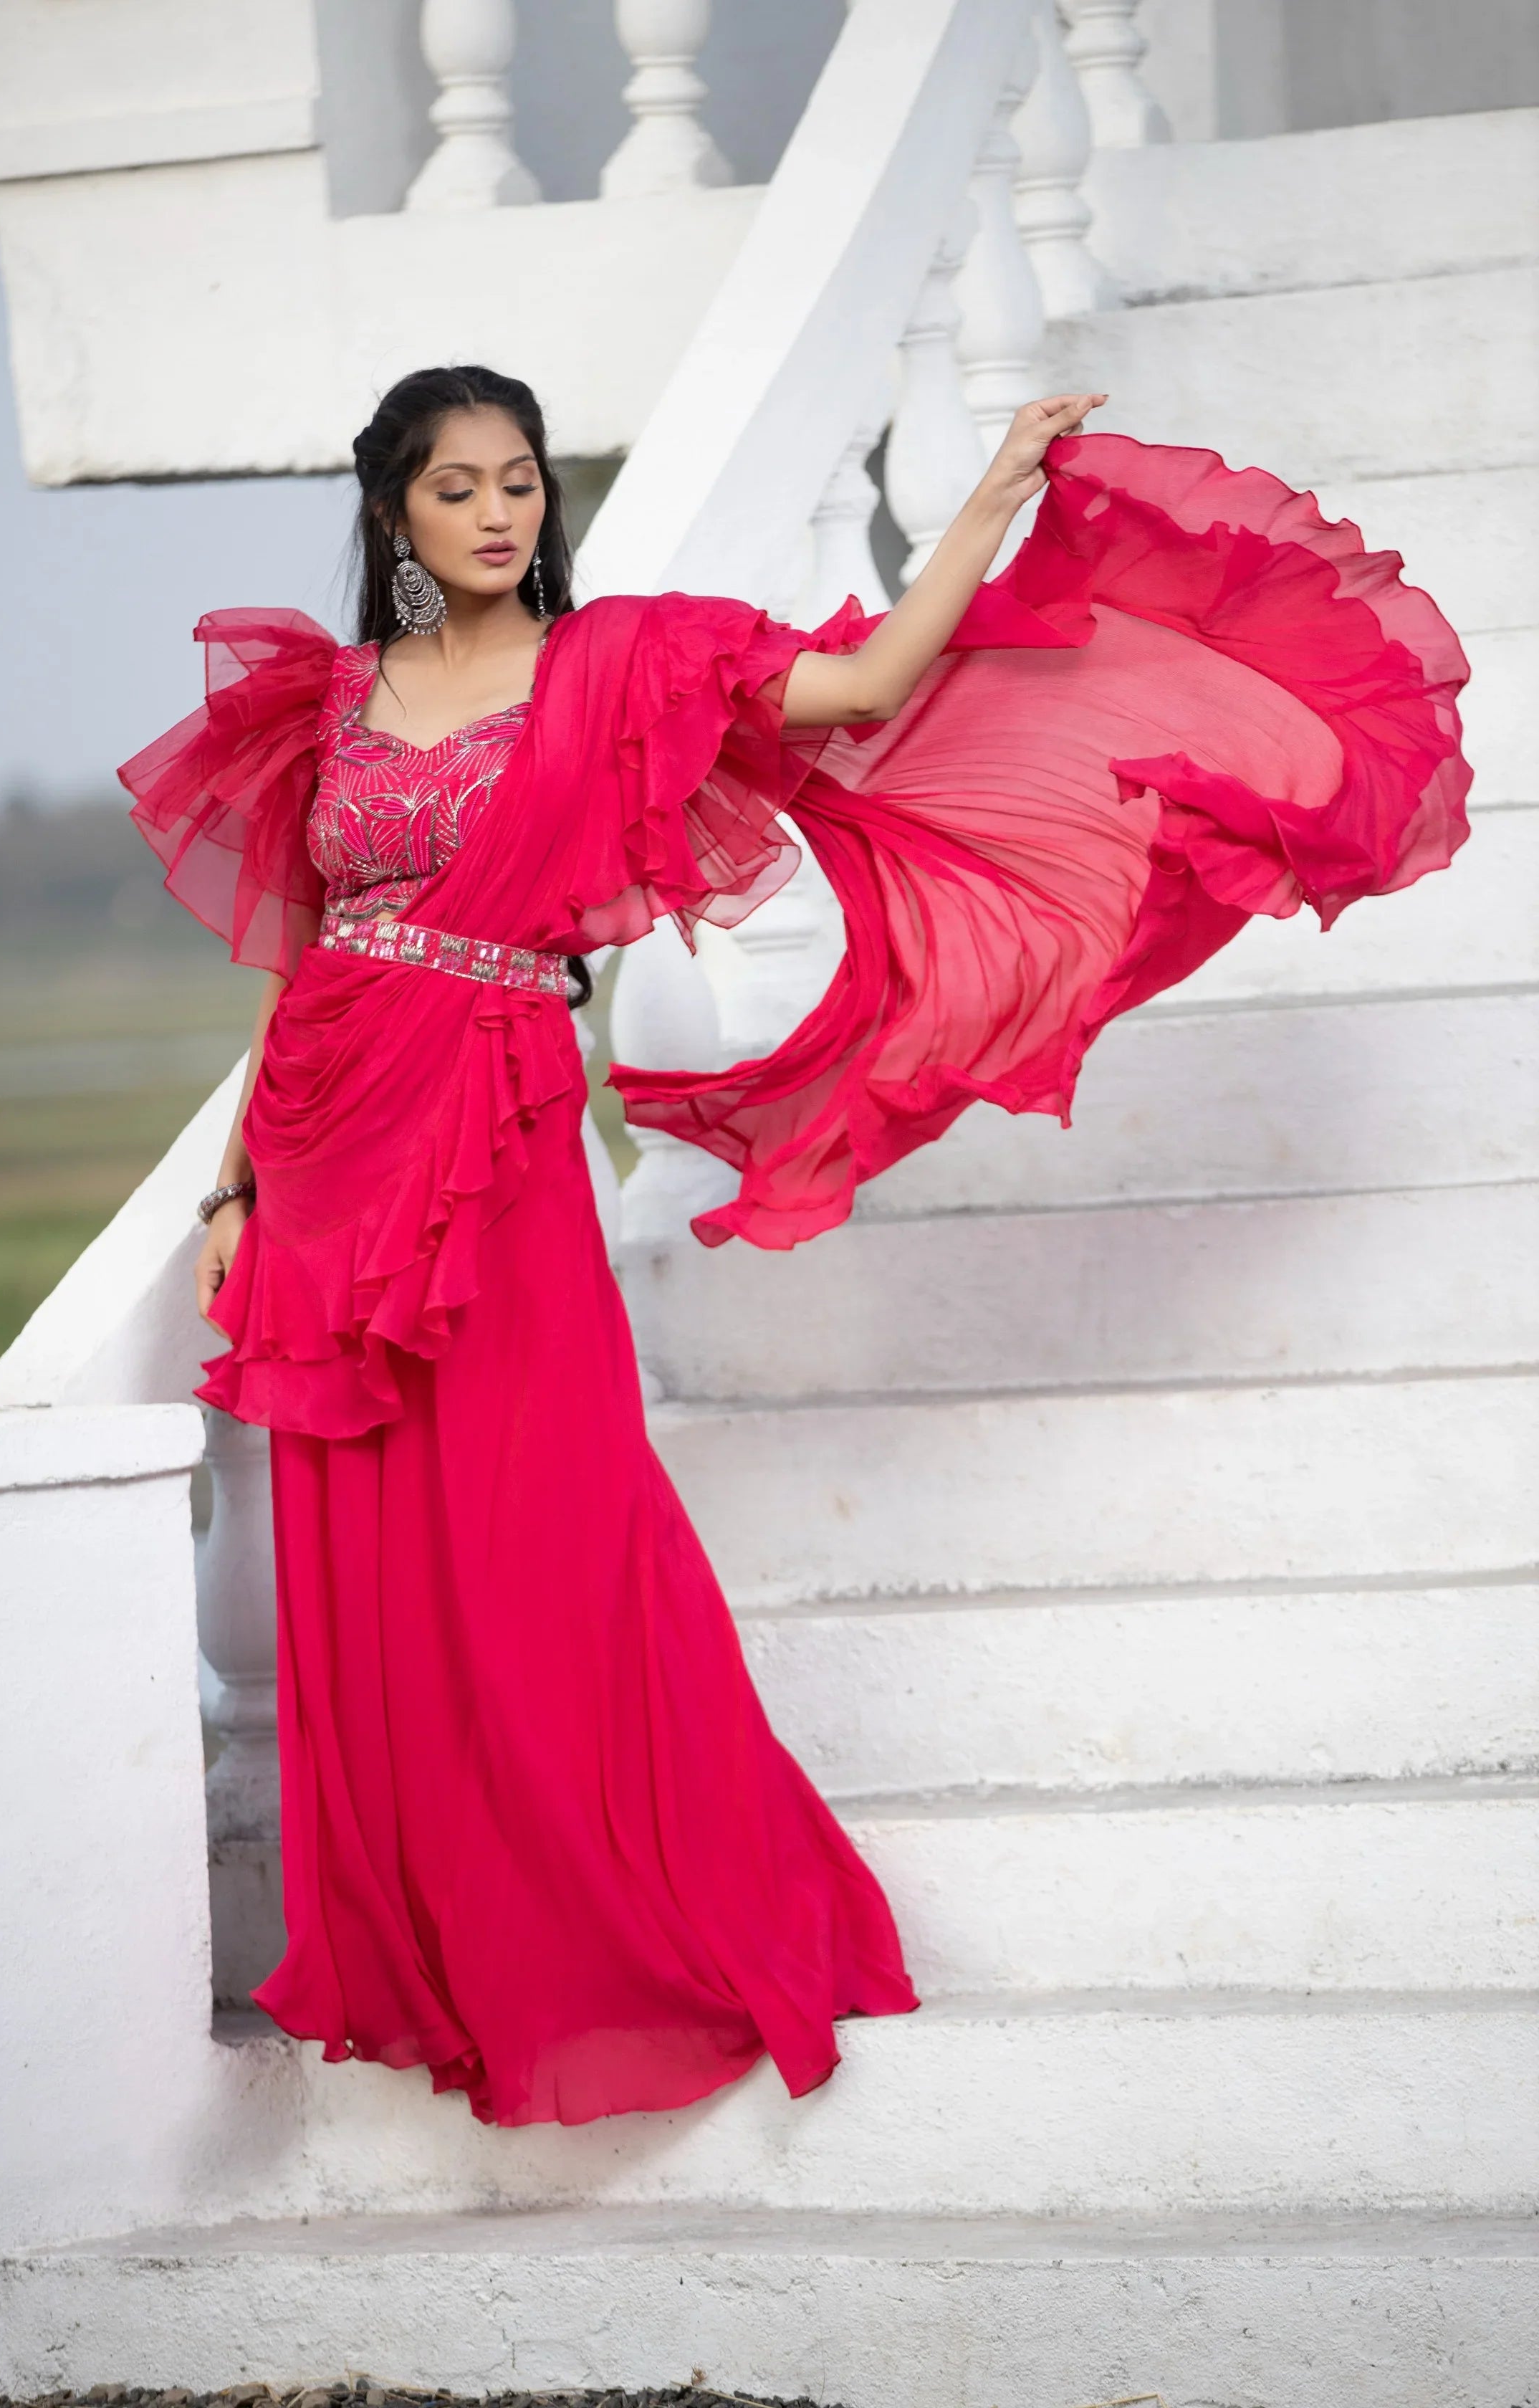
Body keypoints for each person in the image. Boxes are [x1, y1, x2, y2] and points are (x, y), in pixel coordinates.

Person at [121, 362, 1471, 2128]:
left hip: (498, 1131)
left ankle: (628, 1934)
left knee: (550, 1527)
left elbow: (870, 681)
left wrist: (990, 495)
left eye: (520, 480)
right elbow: (299, 959)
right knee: (364, 1563)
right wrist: (233, 1190)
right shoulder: (332, 702)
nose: (499, 513)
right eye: (457, 488)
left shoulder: (621, 662)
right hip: (319, 1147)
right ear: (394, 513)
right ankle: (436, 1958)